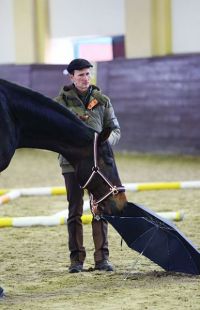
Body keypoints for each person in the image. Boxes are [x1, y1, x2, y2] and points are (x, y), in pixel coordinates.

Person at [54, 58, 121, 273]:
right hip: (71, 164)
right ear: (71, 76)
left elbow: (115, 130)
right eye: (80, 74)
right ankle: (77, 260)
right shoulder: (61, 103)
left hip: (97, 166)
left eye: (87, 74)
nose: (85, 78)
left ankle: (102, 259)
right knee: (74, 210)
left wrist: (104, 146)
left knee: (99, 209)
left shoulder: (102, 101)